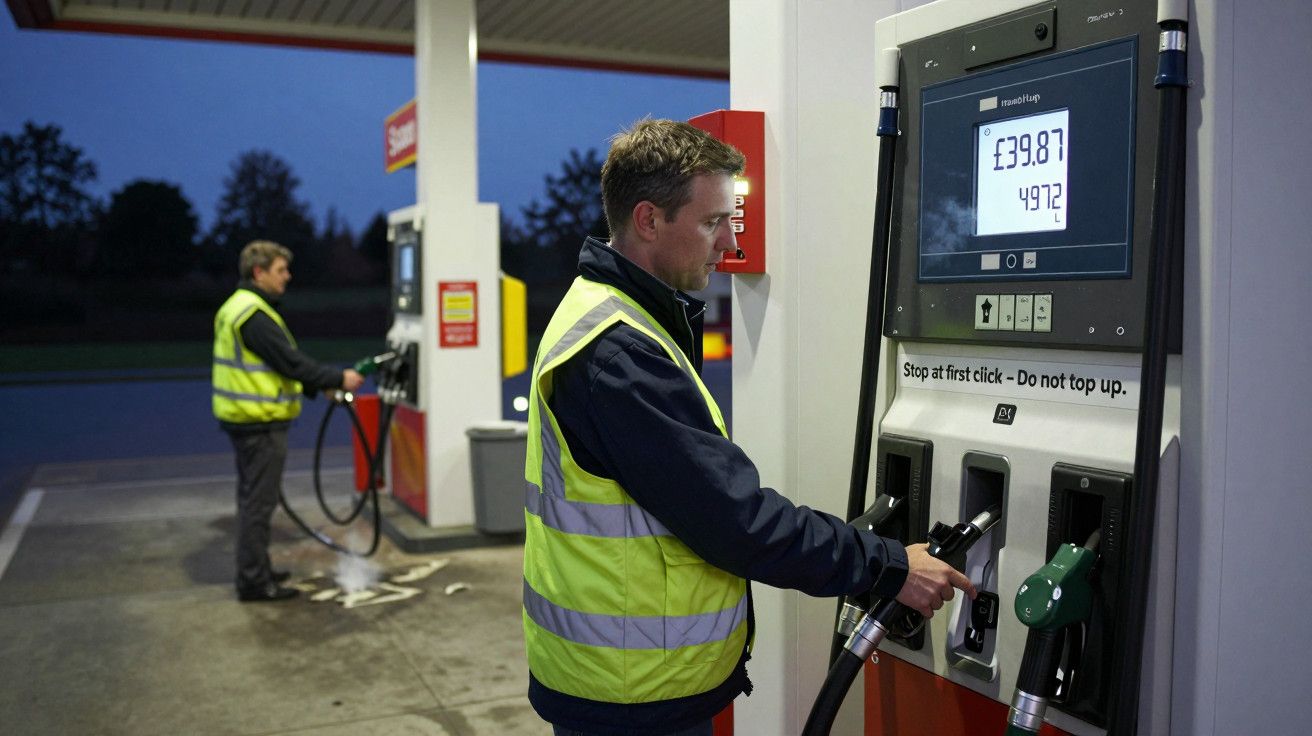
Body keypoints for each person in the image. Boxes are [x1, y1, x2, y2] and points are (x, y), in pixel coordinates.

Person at [521, 119, 975, 735]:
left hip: (616, 677)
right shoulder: (620, 353)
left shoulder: (606, 313)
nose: (730, 242)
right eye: (713, 222)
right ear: (649, 219)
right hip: (631, 695)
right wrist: (889, 567)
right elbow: (736, 520)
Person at [212, 240, 364, 602]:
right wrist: (337, 379)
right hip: (259, 424)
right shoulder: (253, 315)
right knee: (258, 505)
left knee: (253, 500)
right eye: (280, 270)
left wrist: (319, 387)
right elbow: (289, 362)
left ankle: (258, 569)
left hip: (246, 421)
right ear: (258, 272)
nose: (287, 277)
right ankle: (254, 582)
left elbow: (277, 367)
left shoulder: (238, 307)